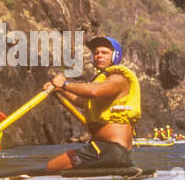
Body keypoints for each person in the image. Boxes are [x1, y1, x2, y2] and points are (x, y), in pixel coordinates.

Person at [43, 35, 140, 172]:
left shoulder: (118, 79)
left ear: (115, 56)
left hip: (111, 150)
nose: (99, 55)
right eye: (96, 53)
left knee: (52, 167)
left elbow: (94, 92)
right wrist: (59, 90)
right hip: (105, 150)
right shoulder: (103, 80)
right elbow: (83, 102)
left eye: (104, 52)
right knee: (65, 169)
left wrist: (65, 84)